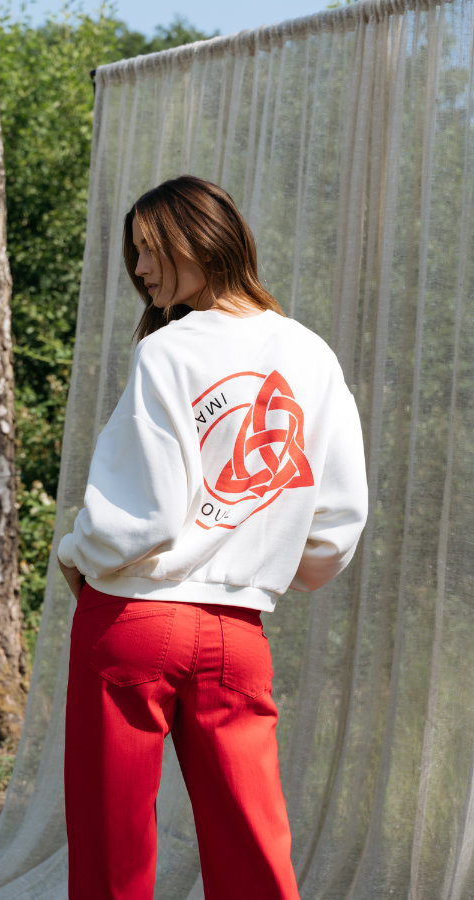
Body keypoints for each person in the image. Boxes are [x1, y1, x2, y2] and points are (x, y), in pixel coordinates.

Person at [57, 175, 368, 900]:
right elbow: (336, 520)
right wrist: (263, 562)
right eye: (135, 252)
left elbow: (143, 512)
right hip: (237, 632)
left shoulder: (168, 352)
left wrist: (78, 553)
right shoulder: (312, 356)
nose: (140, 268)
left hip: (133, 618)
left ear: (202, 240)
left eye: (151, 248)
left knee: (111, 851)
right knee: (253, 847)